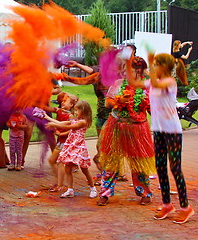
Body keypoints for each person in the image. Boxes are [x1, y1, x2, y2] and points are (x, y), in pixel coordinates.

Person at [127, 53, 194, 224]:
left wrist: (148, 62)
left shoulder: (169, 83)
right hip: (158, 130)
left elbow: (156, 82)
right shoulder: (153, 83)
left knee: (175, 168)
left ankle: (186, 208)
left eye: (156, 64)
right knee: (161, 168)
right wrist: (128, 63)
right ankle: (167, 204)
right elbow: (134, 83)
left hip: (172, 131)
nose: (152, 67)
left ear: (163, 68)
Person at [97, 56, 155, 206]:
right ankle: (104, 193)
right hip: (117, 126)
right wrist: (118, 101)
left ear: (141, 72)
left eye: (136, 70)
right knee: (111, 161)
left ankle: (144, 192)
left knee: (139, 163)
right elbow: (107, 103)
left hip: (138, 128)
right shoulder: (118, 84)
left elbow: (151, 109)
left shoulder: (147, 87)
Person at [45, 100, 97, 199]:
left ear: (84, 111)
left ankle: (93, 188)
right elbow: (61, 122)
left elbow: (68, 126)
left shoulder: (82, 122)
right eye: (75, 110)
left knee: (84, 169)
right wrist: (46, 117)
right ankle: (70, 189)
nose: (75, 113)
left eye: (77, 111)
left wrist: (54, 125)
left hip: (78, 147)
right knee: (67, 168)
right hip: (70, 146)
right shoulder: (75, 120)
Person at [45, 92, 77, 192]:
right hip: (60, 142)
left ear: (71, 105)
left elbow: (71, 129)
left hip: (65, 142)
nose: (62, 103)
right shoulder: (59, 111)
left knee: (59, 163)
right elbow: (49, 109)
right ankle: (58, 182)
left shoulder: (71, 116)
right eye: (62, 101)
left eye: (65, 101)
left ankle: (59, 184)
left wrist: (61, 134)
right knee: (52, 160)